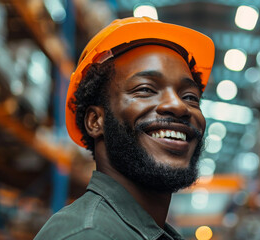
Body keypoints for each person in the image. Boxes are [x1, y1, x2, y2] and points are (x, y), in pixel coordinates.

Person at [35, 17, 215, 240]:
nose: (178, 106)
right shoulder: (89, 235)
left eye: (190, 97)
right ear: (95, 121)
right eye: (146, 89)